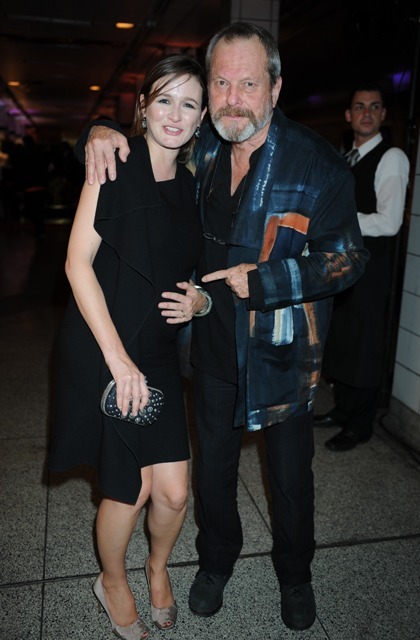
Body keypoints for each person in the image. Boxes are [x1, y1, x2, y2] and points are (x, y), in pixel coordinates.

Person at [77, 22, 369, 633]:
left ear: (275, 88)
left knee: (289, 475)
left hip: (282, 350)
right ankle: (215, 562)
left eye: (249, 84)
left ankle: (295, 575)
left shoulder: (316, 164)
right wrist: (97, 131)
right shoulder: (204, 146)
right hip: (208, 340)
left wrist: (265, 280)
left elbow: (348, 259)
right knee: (212, 469)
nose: (234, 99)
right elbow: (145, 142)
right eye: (221, 83)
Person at [49, 55, 208, 640]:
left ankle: (157, 567)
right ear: (142, 106)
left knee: (175, 493)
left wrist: (199, 301)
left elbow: (199, 271)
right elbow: (77, 264)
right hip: (104, 344)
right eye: (164, 99)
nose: (175, 114)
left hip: (157, 349)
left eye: (189, 103)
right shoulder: (112, 163)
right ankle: (111, 580)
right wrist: (118, 361)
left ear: (203, 117)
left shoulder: (192, 186)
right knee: (130, 487)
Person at [315, 84, 410, 452]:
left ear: (383, 114)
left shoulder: (392, 157)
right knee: (344, 338)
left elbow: (389, 222)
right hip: (347, 263)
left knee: (365, 343)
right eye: (359, 106)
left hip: (372, 265)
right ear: (348, 115)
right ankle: (343, 410)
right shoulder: (347, 156)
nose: (366, 113)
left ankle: (361, 424)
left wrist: (339, 222)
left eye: (374, 107)